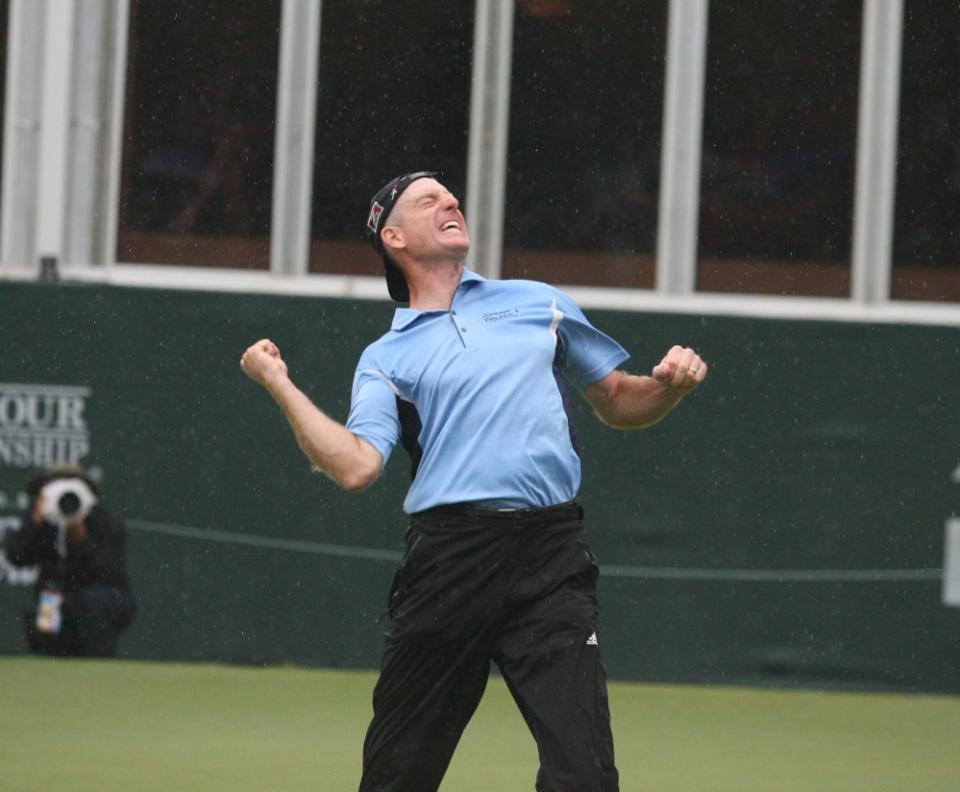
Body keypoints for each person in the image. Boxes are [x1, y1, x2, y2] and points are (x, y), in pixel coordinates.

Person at [240, 171, 708, 792]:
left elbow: (619, 400)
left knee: (588, 775)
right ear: (395, 237)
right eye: (428, 200)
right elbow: (355, 466)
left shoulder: (539, 301)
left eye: (451, 196)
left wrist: (669, 389)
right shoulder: (386, 357)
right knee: (399, 774)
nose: (450, 203)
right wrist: (278, 383)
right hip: (450, 561)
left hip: (552, 555)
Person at [2, 467, 137, 658]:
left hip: (104, 598)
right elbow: (16, 557)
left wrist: (81, 537)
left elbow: (107, 569)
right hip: (56, 597)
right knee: (48, 615)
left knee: (93, 603)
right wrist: (35, 523)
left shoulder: (104, 520)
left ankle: (98, 667)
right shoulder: (43, 519)